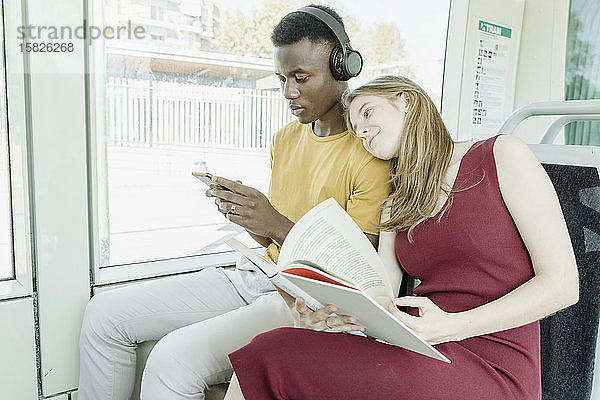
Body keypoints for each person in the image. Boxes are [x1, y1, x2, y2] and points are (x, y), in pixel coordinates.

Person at [77, 5, 391, 400]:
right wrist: (250, 218)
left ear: (343, 67)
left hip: (302, 295)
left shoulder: (369, 150)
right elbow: (272, 241)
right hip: (257, 273)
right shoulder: (285, 140)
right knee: (103, 315)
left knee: (169, 361)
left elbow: (358, 274)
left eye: (301, 77)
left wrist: (274, 222)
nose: (288, 92)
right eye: (281, 79)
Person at [224, 75, 580, 400]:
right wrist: (327, 316)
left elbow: (563, 285)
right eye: (355, 128)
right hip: (420, 346)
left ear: (406, 100)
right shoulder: (394, 204)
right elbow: (381, 297)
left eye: (367, 113)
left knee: (271, 356)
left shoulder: (502, 154)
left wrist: (453, 326)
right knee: (269, 349)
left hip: (493, 364)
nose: (361, 131)